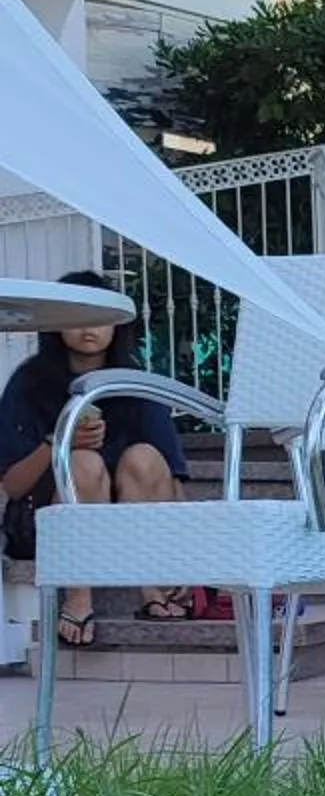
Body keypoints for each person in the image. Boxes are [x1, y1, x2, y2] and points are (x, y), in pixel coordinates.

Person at [0, 272, 192, 645]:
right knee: (83, 463)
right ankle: (78, 594)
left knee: (145, 457)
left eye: (100, 316)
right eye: (78, 315)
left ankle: (151, 585)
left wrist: (186, 557)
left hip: (130, 525)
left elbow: (173, 480)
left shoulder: (134, 381)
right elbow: (12, 484)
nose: (89, 327)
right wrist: (58, 442)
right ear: (57, 324)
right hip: (44, 521)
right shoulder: (29, 383)